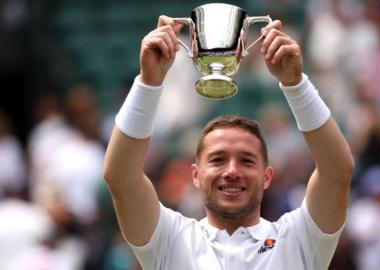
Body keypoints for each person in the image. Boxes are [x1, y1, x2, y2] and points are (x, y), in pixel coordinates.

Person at [103, 16, 354, 270]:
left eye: (246, 160)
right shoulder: (169, 239)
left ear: (267, 176)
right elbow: (121, 177)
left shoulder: (299, 239)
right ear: (196, 174)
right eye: (217, 159)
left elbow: (337, 171)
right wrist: (148, 81)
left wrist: (296, 84)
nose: (232, 171)